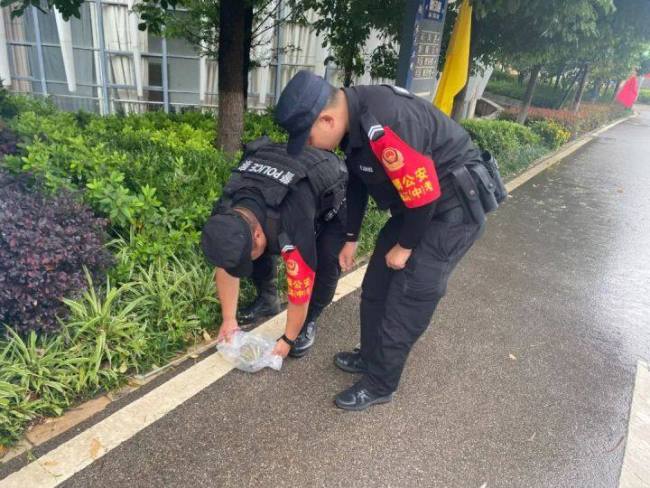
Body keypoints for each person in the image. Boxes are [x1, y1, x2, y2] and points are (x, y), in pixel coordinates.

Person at [275, 71, 504, 410]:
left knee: (408, 296)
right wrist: (351, 237)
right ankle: (369, 357)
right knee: (376, 287)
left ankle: (381, 383)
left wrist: (406, 247)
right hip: (416, 206)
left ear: (326, 119)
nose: (309, 147)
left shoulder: (384, 123)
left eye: (307, 138)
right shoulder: (353, 124)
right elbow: (356, 182)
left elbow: (425, 197)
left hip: (450, 210)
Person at [201, 138, 348, 358]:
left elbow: (300, 284)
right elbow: (227, 260)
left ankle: (309, 320)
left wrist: (288, 338)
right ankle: (267, 299)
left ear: (258, 233)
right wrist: (228, 320)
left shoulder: (291, 221)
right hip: (274, 183)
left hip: (330, 193)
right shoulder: (226, 211)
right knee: (252, 249)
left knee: (326, 262)